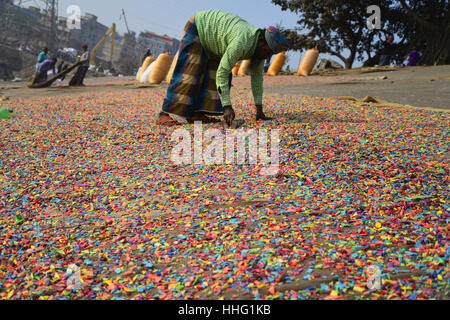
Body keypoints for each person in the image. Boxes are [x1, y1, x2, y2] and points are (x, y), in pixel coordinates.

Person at [156, 10, 289, 126]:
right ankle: (163, 114)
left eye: (271, 54)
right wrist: (227, 106)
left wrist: (259, 111)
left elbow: (257, 80)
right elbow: (223, 72)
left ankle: (196, 114)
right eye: (268, 52)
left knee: (212, 77)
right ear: (261, 41)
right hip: (200, 26)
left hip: (216, 43)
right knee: (190, 72)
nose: (267, 56)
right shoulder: (242, 41)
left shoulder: (259, 52)